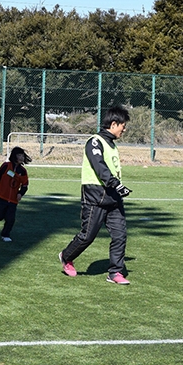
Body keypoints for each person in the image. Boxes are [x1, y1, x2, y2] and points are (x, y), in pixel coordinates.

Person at [58, 105, 132, 285]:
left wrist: (118, 188)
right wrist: (115, 183)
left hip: (113, 198)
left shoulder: (112, 145)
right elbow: (99, 165)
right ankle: (66, 256)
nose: (125, 129)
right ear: (114, 124)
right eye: (123, 125)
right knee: (87, 236)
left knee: (120, 235)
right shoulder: (94, 141)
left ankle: (114, 272)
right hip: (95, 197)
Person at [0, 146, 31, 242]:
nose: (21, 157)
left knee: (10, 219)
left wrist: (20, 194)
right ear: (14, 156)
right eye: (19, 155)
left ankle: (5, 235)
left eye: (22, 155)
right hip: (0, 196)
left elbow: (25, 185)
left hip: (13, 200)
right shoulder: (6, 165)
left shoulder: (23, 171)